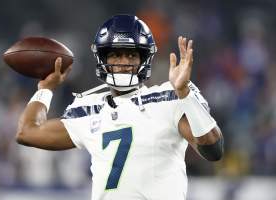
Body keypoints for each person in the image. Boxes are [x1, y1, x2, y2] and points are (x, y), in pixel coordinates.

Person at [16, 14, 224, 200]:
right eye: (115, 55)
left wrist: (185, 94)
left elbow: (213, 149)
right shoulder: (87, 109)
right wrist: (46, 88)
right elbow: (27, 131)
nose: (124, 62)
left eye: (132, 55)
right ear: (102, 59)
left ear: (144, 59)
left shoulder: (168, 97)